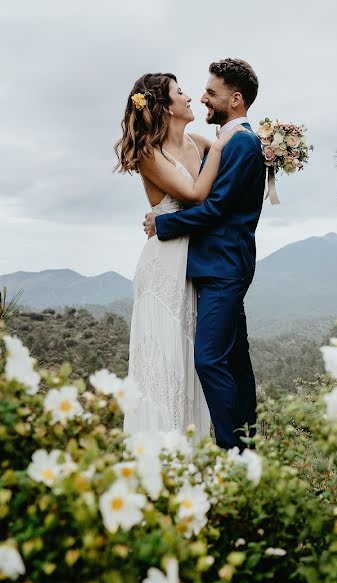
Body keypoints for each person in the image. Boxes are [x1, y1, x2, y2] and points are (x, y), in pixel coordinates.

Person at [143, 59, 265, 450]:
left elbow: (214, 208)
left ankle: (234, 451)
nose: (202, 97)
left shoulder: (241, 141)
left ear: (235, 98)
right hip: (213, 265)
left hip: (224, 267)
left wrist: (161, 225)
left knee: (209, 360)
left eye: (211, 93)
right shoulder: (229, 139)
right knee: (234, 359)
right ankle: (246, 446)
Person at [114, 72, 240, 435]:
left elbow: (223, 186)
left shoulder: (197, 142)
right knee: (164, 364)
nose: (189, 97)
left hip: (195, 264)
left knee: (189, 365)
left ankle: (192, 457)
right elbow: (195, 194)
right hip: (163, 268)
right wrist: (220, 146)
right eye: (180, 92)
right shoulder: (150, 154)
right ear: (166, 108)